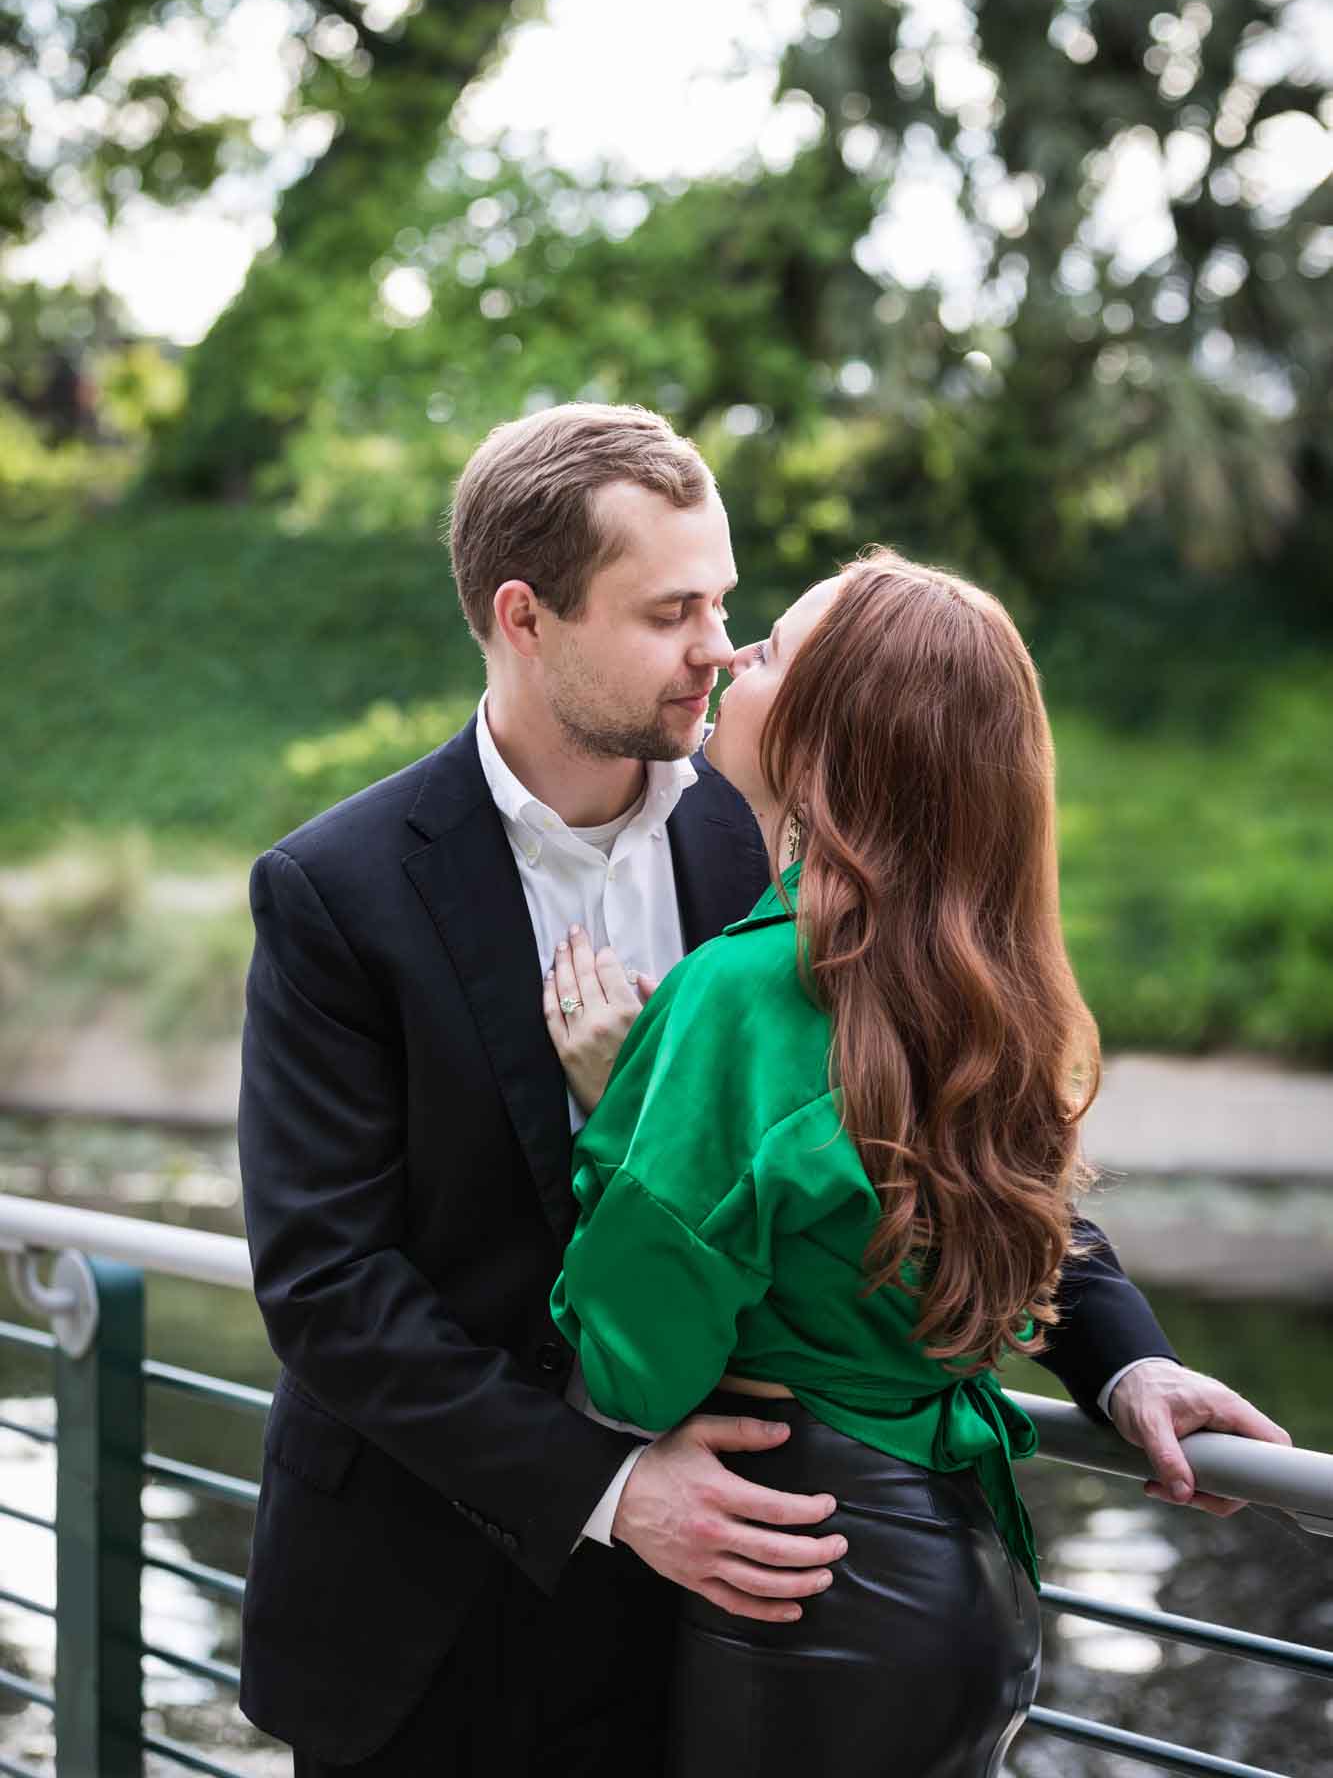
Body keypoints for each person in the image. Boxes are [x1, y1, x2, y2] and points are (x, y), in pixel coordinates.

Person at [237, 404, 1288, 1777]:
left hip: (723, 1612)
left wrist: (1122, 1354)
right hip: (425, 1615)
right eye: (671, 609)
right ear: (525, 615)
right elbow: (326, 1284)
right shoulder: (338, 887)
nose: (720, 648)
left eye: (727, 601)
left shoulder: (790, 823)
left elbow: (934, 1126)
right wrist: (608, 1488)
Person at [545, 545, 1294, 1776]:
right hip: (963, 1589)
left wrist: (627, 1104)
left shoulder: (740, 993)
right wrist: (1126, 1364)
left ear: (832, 734)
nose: (734, 654)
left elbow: (633, 1365)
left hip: (805, 1606)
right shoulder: (974, 989)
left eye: (771, 647)